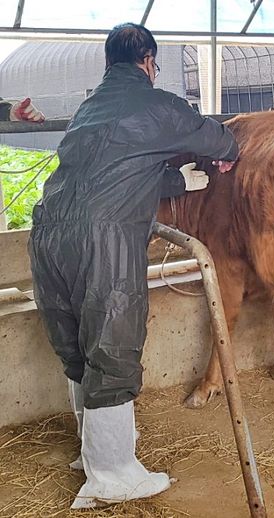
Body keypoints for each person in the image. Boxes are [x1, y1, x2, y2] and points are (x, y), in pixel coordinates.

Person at [28, 23, 239, 509]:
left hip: (49, 234)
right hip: (103, 242)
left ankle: (92, 454)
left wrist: (173, 183)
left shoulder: (90, 108)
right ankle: (113, 475)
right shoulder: (159, 104)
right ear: (148, 60)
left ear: (109, 61)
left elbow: (113, 170)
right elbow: (221, 142)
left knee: (78, 349)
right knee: (113, 350)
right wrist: (224, 156)